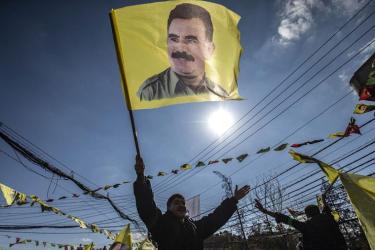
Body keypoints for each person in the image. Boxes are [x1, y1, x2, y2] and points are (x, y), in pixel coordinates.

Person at [133, 155, 250, 250]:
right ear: (168, 208)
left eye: (183, 203)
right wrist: (141, 178)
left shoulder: (195, 227)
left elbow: (216, 219)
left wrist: (233, 200)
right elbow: (146, 205)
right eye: (177, 203)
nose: (181, 205)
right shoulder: (159, 223)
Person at [137, 3, 229, 101]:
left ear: (209, 49)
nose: (180, 48)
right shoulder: (150, 92)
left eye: (191, 40)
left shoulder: (220, 95)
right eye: (174, 39)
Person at [254, 196, 347, 250]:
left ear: (307, 215)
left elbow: (285, 219)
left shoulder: (306, 226)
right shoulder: (329, 218)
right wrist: (323, 200)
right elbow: (326, 209)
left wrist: (264, 211)